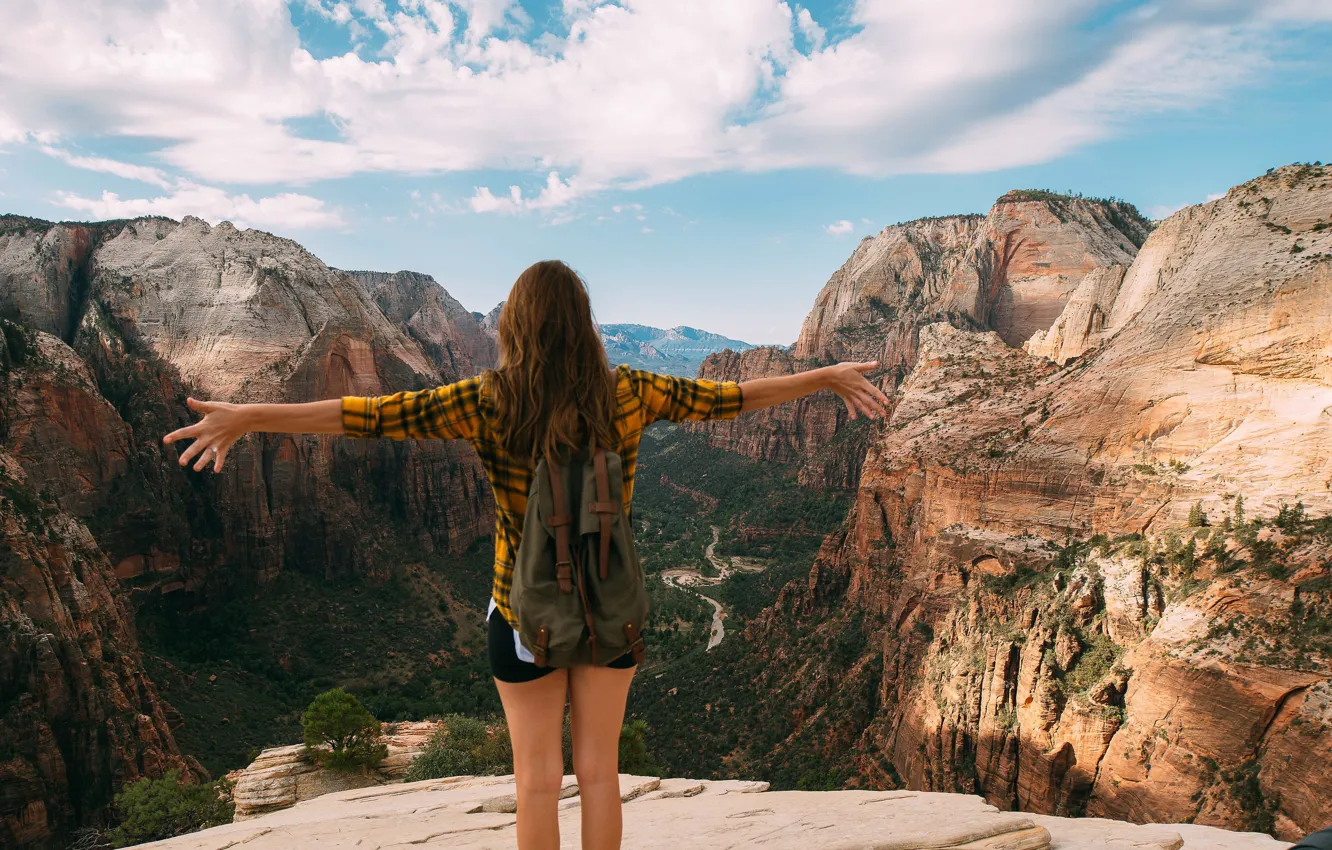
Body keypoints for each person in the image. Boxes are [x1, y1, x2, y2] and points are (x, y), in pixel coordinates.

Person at [163, 260, 891, 850]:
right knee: (600, 777)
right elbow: (730, 398)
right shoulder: (630, 392)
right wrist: (822, 376)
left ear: (513, 326)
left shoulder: (489, 398)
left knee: (537, 782)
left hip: (521, 614)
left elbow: (372, 417)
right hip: (611, 612)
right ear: (584, 326)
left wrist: (253, 416)